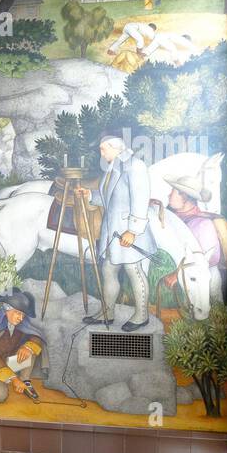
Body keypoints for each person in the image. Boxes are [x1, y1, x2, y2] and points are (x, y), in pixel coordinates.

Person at [78, 133, 155, 331]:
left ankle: (141, 316)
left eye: (103, 149)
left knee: (133, 270)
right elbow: (110, 199)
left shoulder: (135, 166)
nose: (101, 153)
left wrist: (133, 231)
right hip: (113, 232)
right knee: (108, 269)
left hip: (128, 232)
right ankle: (107, 312)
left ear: (115, 147)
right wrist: (90, 195)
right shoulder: (112, 167)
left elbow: (140, 199)